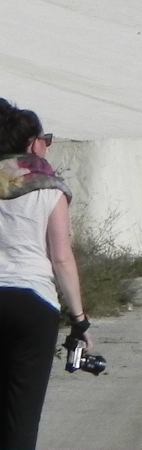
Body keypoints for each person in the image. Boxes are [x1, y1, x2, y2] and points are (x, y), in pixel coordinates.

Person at [0, 102, 89, 450]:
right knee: (20, 415)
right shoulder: (50, 188)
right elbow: (62, 259)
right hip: (32, 304)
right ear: (32, 144)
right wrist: (79, 319)